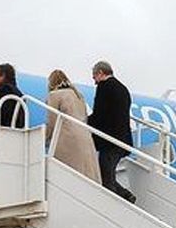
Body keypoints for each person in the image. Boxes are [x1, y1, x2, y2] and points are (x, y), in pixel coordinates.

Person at [88, 60, 136, 203]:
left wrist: (85, 121)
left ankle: (115, 204)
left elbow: (99, 114)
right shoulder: (123, 89)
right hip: (123, 139)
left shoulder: (104, 87)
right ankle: (127, 195)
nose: (94, 82)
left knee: (106, 176)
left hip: (110, 141)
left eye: (94, 77)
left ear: (101, 73)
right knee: (107, 174)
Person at [44, 70, 100, 183]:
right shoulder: (79, 96)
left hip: (67, 140)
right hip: (86, 138)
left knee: (66, 178)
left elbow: (52, 122)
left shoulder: (54, 95)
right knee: (86, 177)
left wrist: (43, 138)